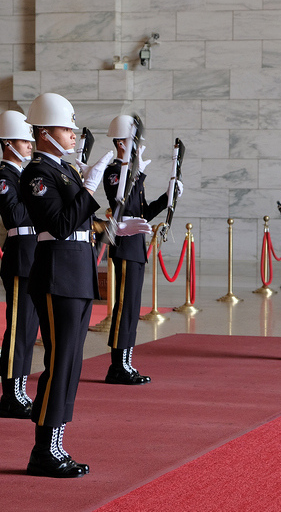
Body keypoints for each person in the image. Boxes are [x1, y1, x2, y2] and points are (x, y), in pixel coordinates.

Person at [19, 93, 151, 478]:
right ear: (44, 133)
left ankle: (56, 442)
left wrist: (115, 227)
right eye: (66, 128)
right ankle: (45, 449)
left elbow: (77, 225)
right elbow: (59, 226)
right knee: (60, 363)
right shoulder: (37, 174)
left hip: (76, 273)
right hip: (57, 275)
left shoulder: (62, 170)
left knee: (71, 364)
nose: (73, 135)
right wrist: (91, 184)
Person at [102, 115, 180, 385]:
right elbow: (121, 201)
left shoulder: (132, 173)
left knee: (133, 307)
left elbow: (143, 212)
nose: (138, 148)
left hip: (136, 247)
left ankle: (126, 362)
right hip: (124, 245)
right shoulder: (115, 172)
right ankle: (118, 366)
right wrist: (135, 172)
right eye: (133, 142)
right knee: (125, 307)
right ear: (121, 143)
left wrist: (168, 197)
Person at [0, 110, 39, 418]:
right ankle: (11, 394)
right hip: (20, 255)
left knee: (29, 329)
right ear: (8, 142)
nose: (30, 145)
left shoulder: (25, 175)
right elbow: (16, 216)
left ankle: (20, 388)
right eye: (24, 140)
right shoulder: (3, 177)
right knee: (19, 328)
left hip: (35, 254)